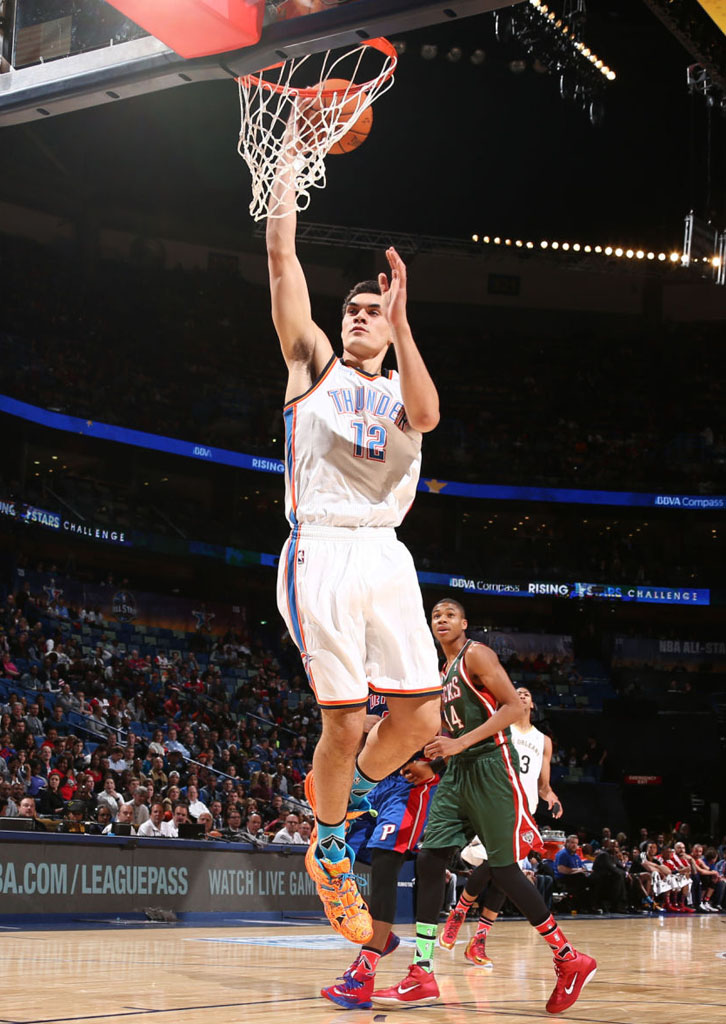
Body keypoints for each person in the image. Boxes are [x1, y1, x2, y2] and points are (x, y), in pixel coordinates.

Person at [265, 141, 443, 944]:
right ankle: (330, 851)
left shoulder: (405, 396)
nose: (357, 313)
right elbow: (281, 263)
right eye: (353, 309)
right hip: (323, 551)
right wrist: (287, 178)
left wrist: (406, 327)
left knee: (418, 719)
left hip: (386, 555)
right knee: (342, 725)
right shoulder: (315, 369)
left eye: (372, 308)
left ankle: (344, 812)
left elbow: (431, 416)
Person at [371, 599, 596, 1014]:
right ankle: (422, 971)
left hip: (493, 766)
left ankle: (568, 958)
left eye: (450, 615)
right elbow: (451, 730)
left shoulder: (477, 653)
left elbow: (512, 707)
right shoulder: (441, 672)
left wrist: (456, 744)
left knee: (504, 870)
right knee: (430, 858)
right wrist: (430, 761)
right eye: (436, 615)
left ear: (464, 623)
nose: (442, 620)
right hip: (456, 773)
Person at [438, 684, 563, 962]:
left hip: (525, 811)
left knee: (504, 875)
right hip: (495, 801)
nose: (521, 694)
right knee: (494, 863)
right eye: (516, 691)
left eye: (527, 693)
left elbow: (544, 785)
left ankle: (478, 939)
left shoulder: (543, 740)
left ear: (532, 705)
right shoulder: (497, 727)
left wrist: (551, 796)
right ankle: (459, 913)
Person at [321, 752, 439, 1009]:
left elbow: (449, 733)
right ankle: (382, 938)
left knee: (385, 867)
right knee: (331, 857)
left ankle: (364, 976)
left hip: (410, 783)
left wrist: (433, 765)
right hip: (373, 782)